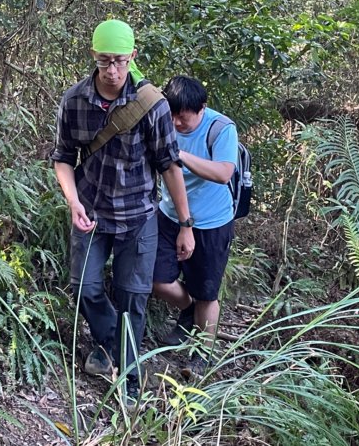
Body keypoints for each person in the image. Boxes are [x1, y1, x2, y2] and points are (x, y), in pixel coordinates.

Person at [50, 20, 195, 404]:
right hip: (91, 212)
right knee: (85, 288)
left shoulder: (153, 105)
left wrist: (185, 224)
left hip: (138, 216)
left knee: (133, 298)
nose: (112, 71)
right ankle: (117, 349)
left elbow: (169, 164)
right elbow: (63, 158)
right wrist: (73, 200)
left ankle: (129, 381)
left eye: (119, 61)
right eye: (104, 62)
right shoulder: (75, 101)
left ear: (133, 56)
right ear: (93, 58)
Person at [153, 76, 238, 378]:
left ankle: (202, 353)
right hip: (168, 215)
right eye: (172, 115)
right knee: (157, 279)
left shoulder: (221, 129)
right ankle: (188, 309)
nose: (175, 123)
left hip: (212, 223)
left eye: (183, 118)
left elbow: (224, 172)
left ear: (201, 108)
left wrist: (182, 155)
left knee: (207, 293)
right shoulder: (165, 120)